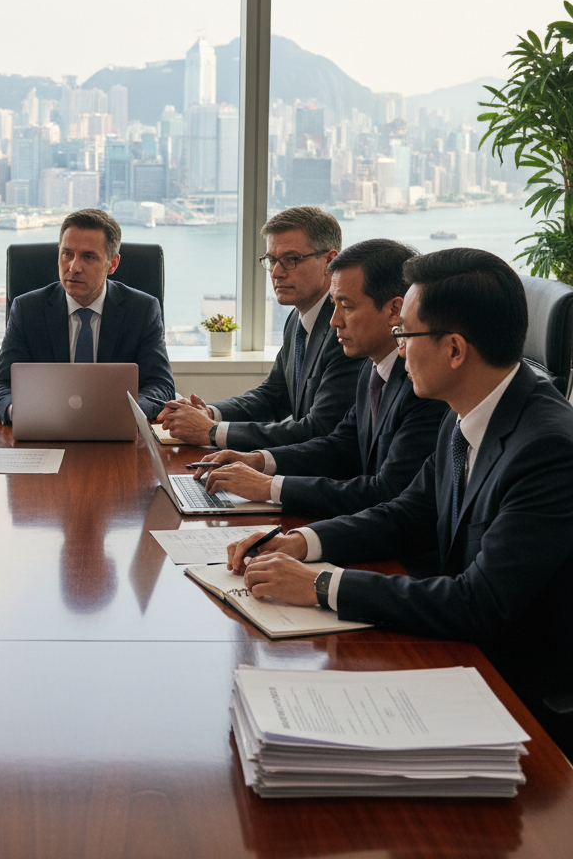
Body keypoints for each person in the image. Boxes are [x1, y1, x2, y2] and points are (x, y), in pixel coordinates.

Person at [226, 248, 573, 750]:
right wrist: (301, 541)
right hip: (457, 657)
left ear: (455, 349)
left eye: (405, 335)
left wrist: (321, 585)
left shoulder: (547, 449)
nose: (398, 349)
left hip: (517, 698)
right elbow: (407, 511)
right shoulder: (466, 408)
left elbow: (479, 602)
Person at [195, 239, 448, 532]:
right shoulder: (372, 368)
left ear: (394, 311)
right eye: (334, 305)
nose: (334, 321)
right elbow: (341, 445)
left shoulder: (425, 385)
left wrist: (270, 487)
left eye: (347, 306)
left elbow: (386, 491)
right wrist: (258, 460)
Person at [157, 206, 363, 448]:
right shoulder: (298, 318)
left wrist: (213, 432)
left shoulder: (346, 331)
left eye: (290, 260)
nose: (276, 273)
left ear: (329, 261)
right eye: (272, 260)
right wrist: (210, 413)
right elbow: (273, 395)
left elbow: (318, 429)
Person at [0, 208, 175, 424]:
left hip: (116, 432)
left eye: (88, 256)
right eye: (67, 254)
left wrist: (125, 412)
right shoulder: (27, 309)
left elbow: (161, 386)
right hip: (45, 430)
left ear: (112, 264)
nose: (74, 267)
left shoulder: (142, 310)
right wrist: (17, 411)